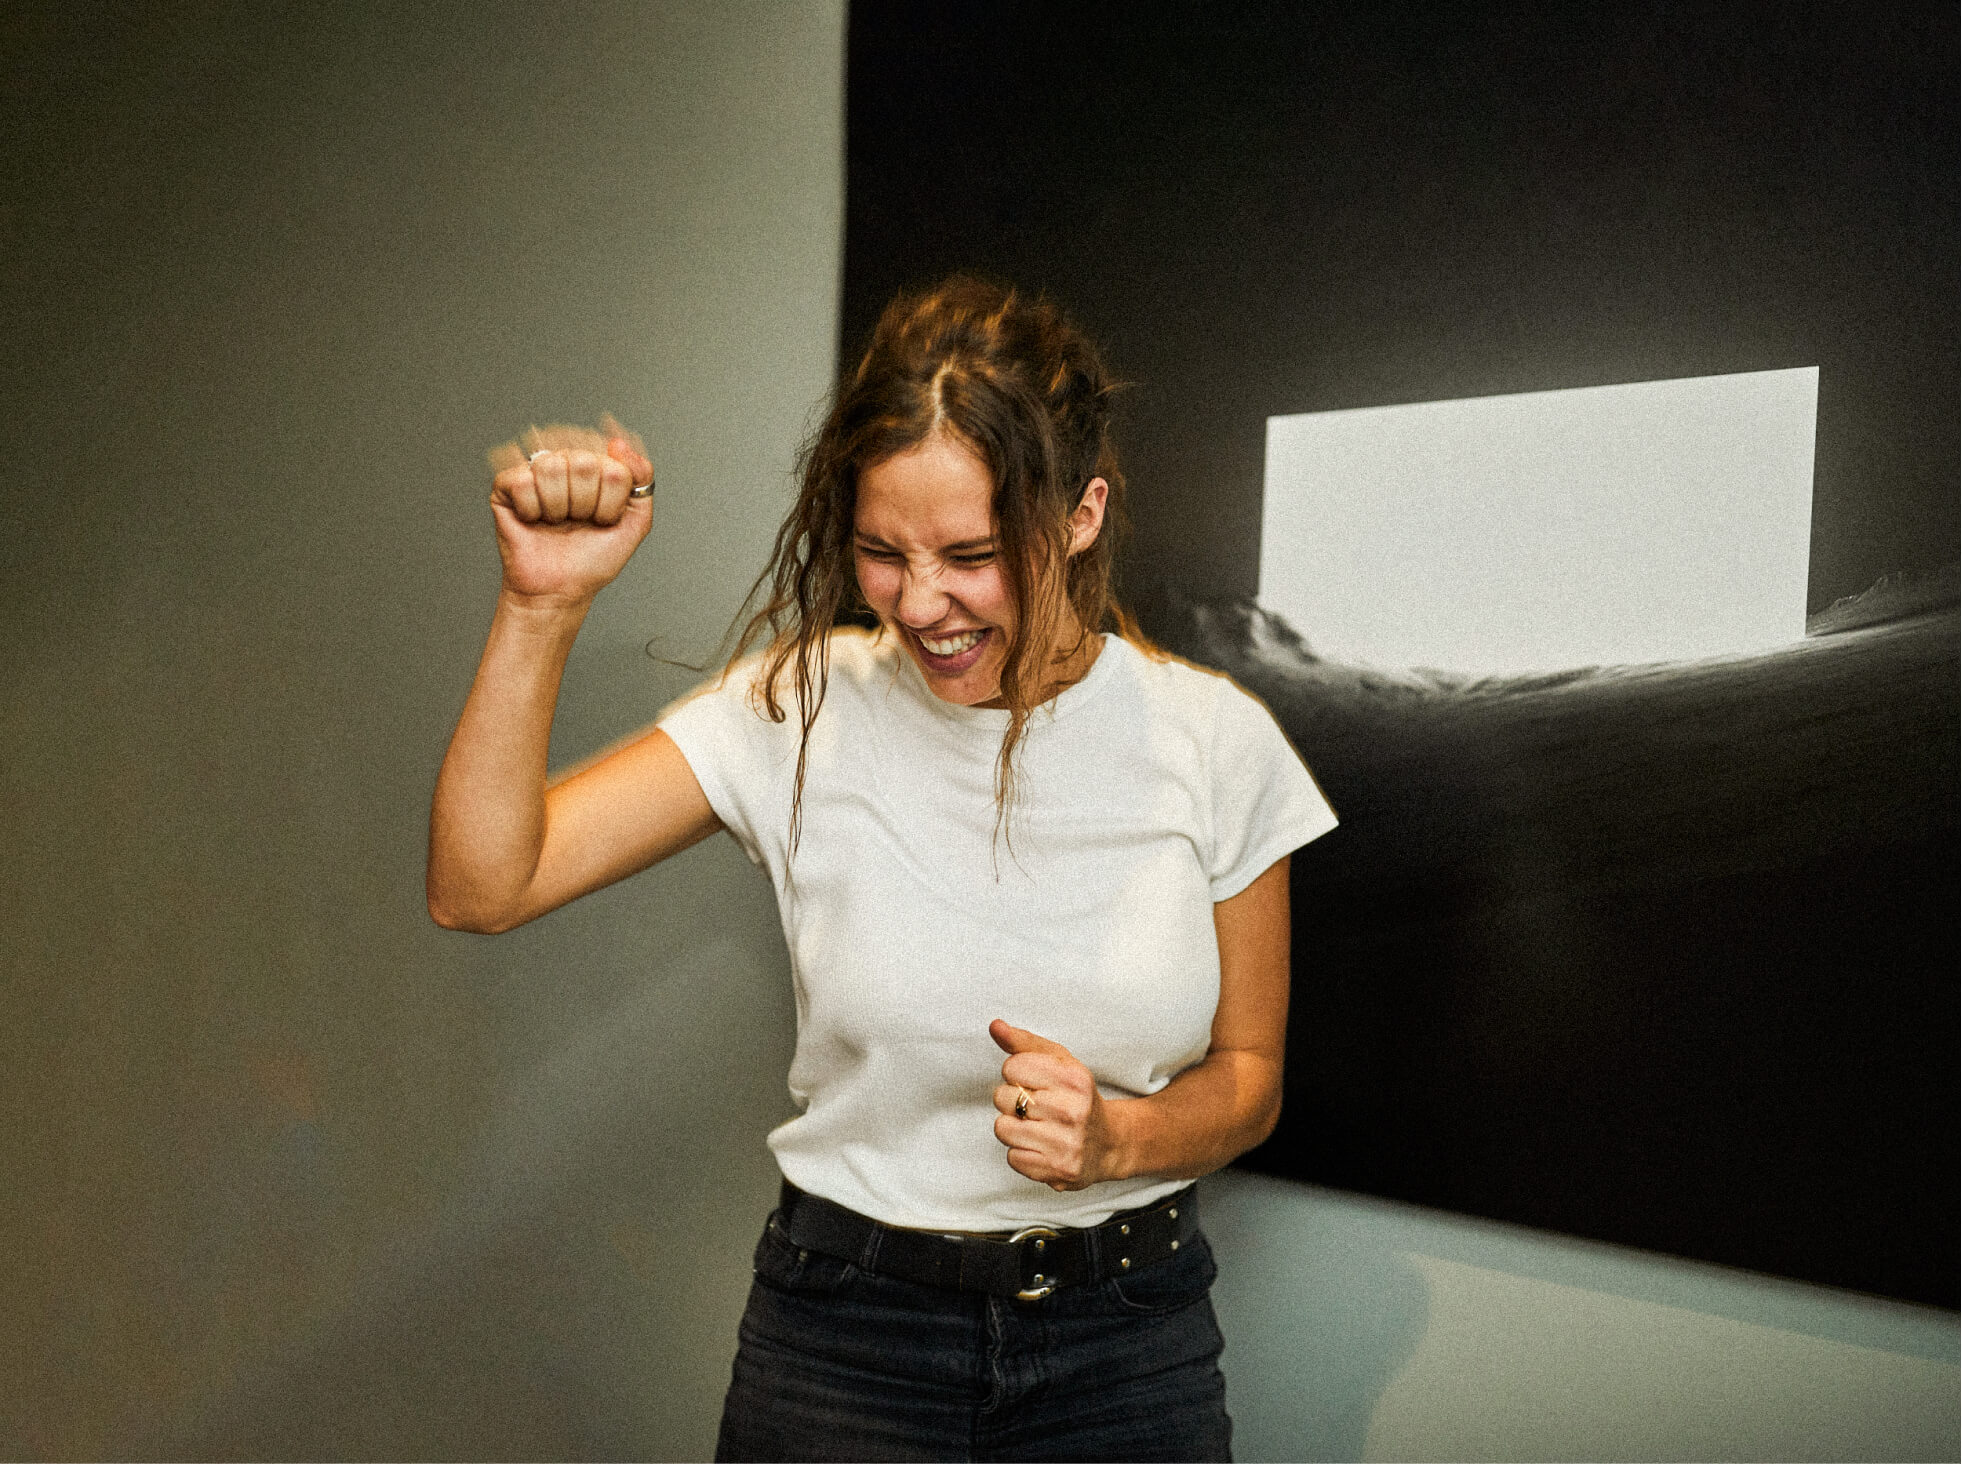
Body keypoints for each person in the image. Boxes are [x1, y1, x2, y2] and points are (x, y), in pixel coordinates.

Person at [428, 276, 1337, 1461]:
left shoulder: (1213, 740)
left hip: (1126, 1351)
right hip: (846, 1349)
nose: (921, 602)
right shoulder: (799, 705)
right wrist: (541, 604)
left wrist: (1118, 1142)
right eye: (880, 553)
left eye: (971, 554)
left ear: (1081, 514)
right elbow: (482, 886)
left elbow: (1250, 1079)